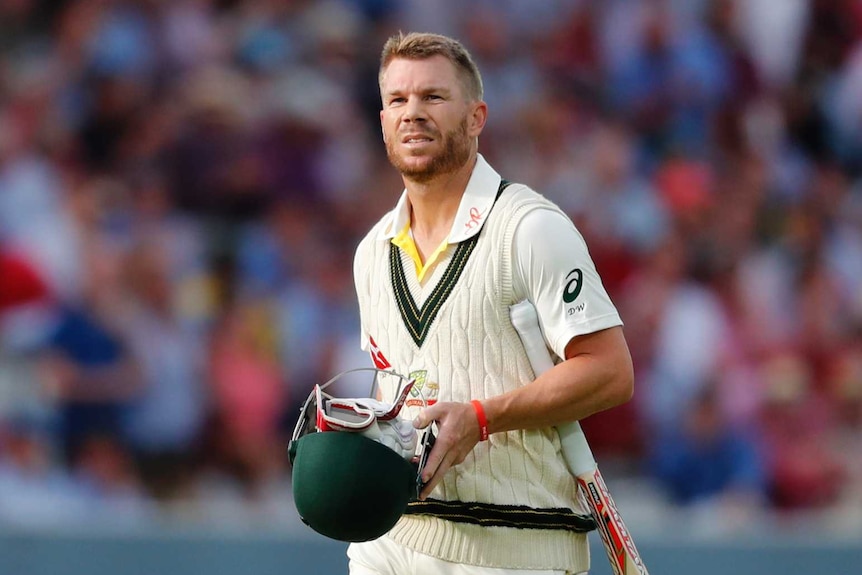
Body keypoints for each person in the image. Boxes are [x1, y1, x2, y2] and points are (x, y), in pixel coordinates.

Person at [349, 32, 634, 575]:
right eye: (397, 100)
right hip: (390, 544)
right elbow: (397, 396)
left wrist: (481, 418)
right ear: (382, 120)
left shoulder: (529, 229)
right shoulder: (371, 252)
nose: (412, 113)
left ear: (476, 117)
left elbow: (610, 373)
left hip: (516, 548)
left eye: (433, 97)